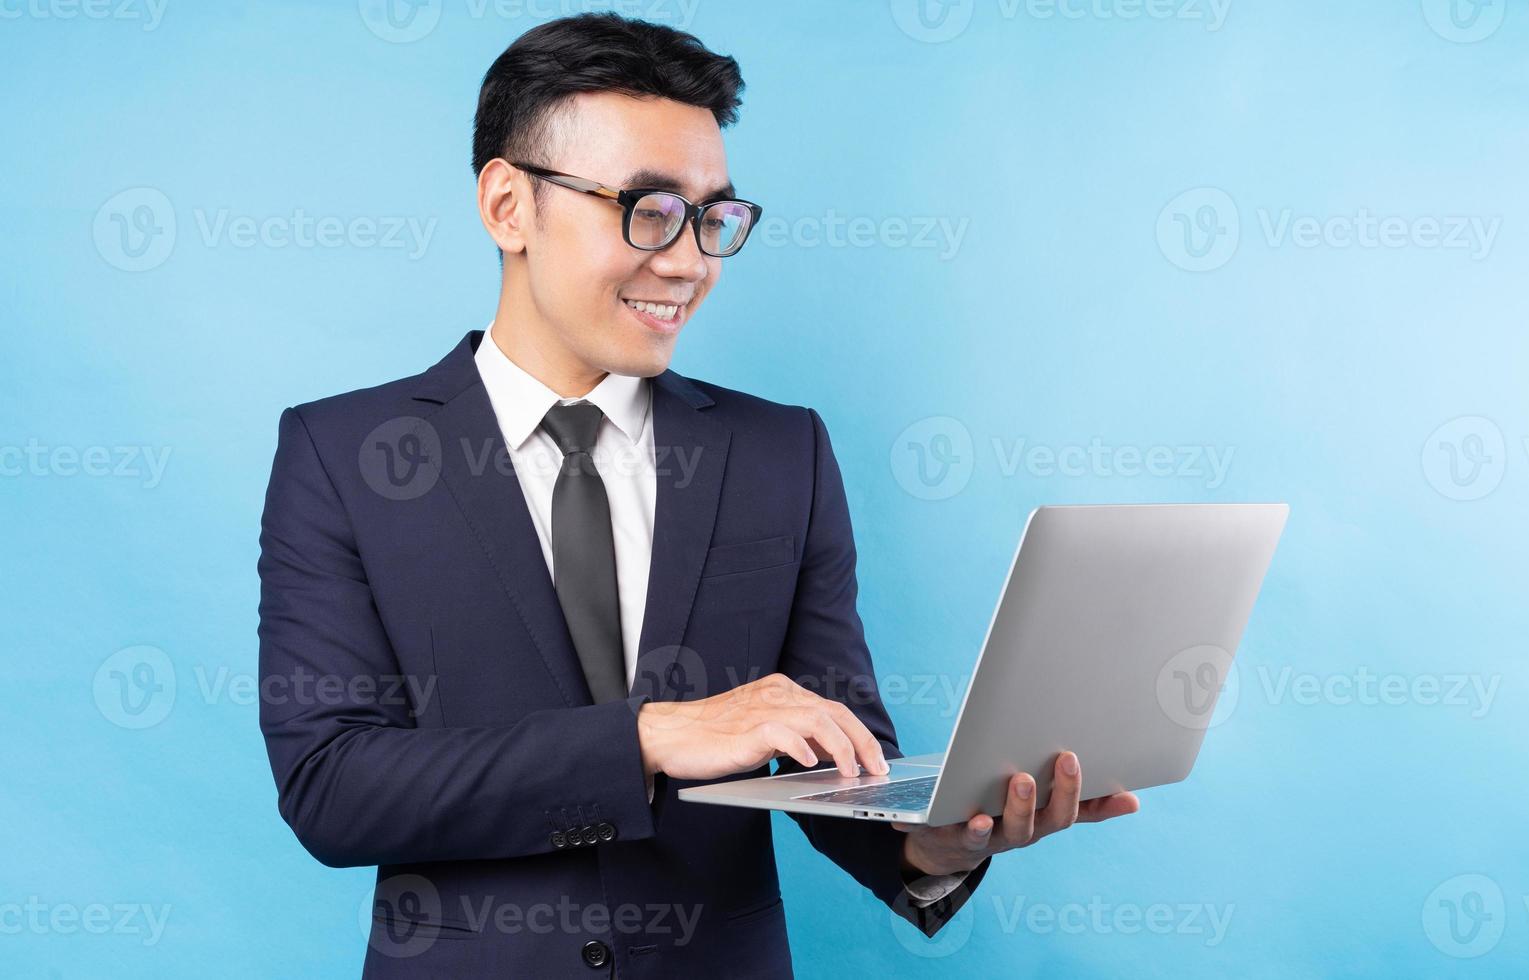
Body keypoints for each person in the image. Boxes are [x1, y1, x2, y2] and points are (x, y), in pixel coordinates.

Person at [256, 13, 1139, 978]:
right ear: (509, 206)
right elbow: (330, 787)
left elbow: (837, 764)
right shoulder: (344, 452)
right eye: (645, 207)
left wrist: (933, 847)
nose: (687, 262)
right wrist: (648, 737)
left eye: (713, 216)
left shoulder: (779, 453)